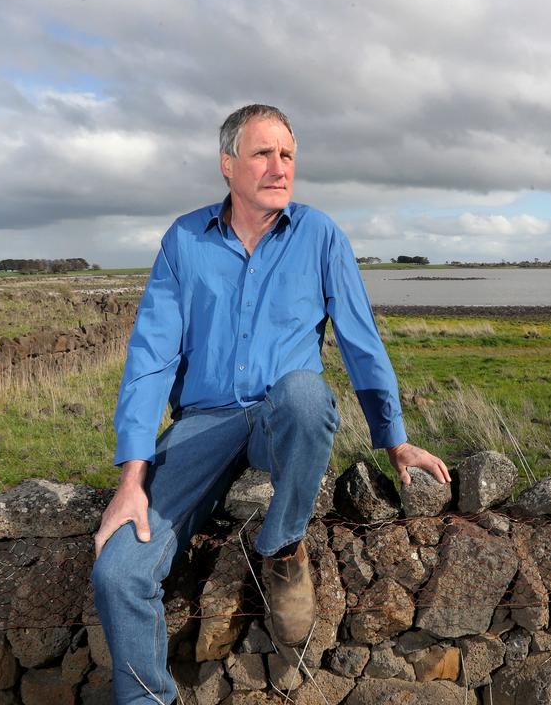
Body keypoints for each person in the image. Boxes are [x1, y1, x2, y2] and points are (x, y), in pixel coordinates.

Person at [90, 103, 450, 704]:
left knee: (306, 392)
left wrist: (395, 439)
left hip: (280, 418)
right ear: (228, 165)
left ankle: (282, 546)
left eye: (287, 155)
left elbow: (361, 343)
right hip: (201, 427)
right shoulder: (184, 240)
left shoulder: (320, 235)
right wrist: (133, 477)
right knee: (118, 571)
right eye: (263, 154)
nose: (279, 167)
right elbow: (150, 358)